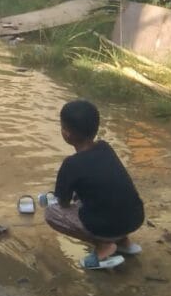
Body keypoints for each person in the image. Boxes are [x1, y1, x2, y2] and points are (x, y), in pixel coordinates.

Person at [45, 100, 145, 270]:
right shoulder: (106, 148)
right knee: (108, 198)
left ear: (66, 134)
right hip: (135, 218)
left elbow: (62, 203)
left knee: (52, 213)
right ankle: (123, 241)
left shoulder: (71, 164)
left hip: (107, 225)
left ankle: (103, 246)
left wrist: (55, 200)